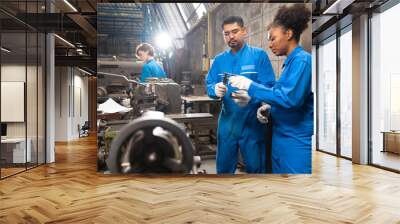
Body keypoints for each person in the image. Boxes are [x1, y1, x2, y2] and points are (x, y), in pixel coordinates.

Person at [229, 4, 313, 174]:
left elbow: (289, 99)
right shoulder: (289, 64)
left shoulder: (302, 61)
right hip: (280, 138)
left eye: (273, 38)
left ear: (288, 34)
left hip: (295, 142)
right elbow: (279, 94)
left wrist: (249, 86)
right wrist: (268, 107)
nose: (269, 44)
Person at [206, 16, 275, 174]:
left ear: (244, 31)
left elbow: (269, 87)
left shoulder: (259, 56)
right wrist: (214, 90)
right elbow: (209, 84)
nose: (231, 36)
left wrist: (253, 98)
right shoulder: (219, 61)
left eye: (235, 31)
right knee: (224, 168)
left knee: (256, 168)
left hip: (252, 122)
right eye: (226, 33)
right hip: (228, 122)